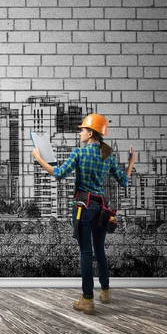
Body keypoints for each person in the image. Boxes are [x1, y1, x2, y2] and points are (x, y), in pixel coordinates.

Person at [31, 113, 136, 315]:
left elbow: (59, 174)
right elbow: (124, 181)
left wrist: (38, 158)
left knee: (86, 252)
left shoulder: (79, 153)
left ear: (90, 133)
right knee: (100, 250)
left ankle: (87, 299)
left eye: (82, 130)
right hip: (101, 210)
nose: (80, 132)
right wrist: (131, 162)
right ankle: (105, 291)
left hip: (82, 207)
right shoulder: (108, 156)